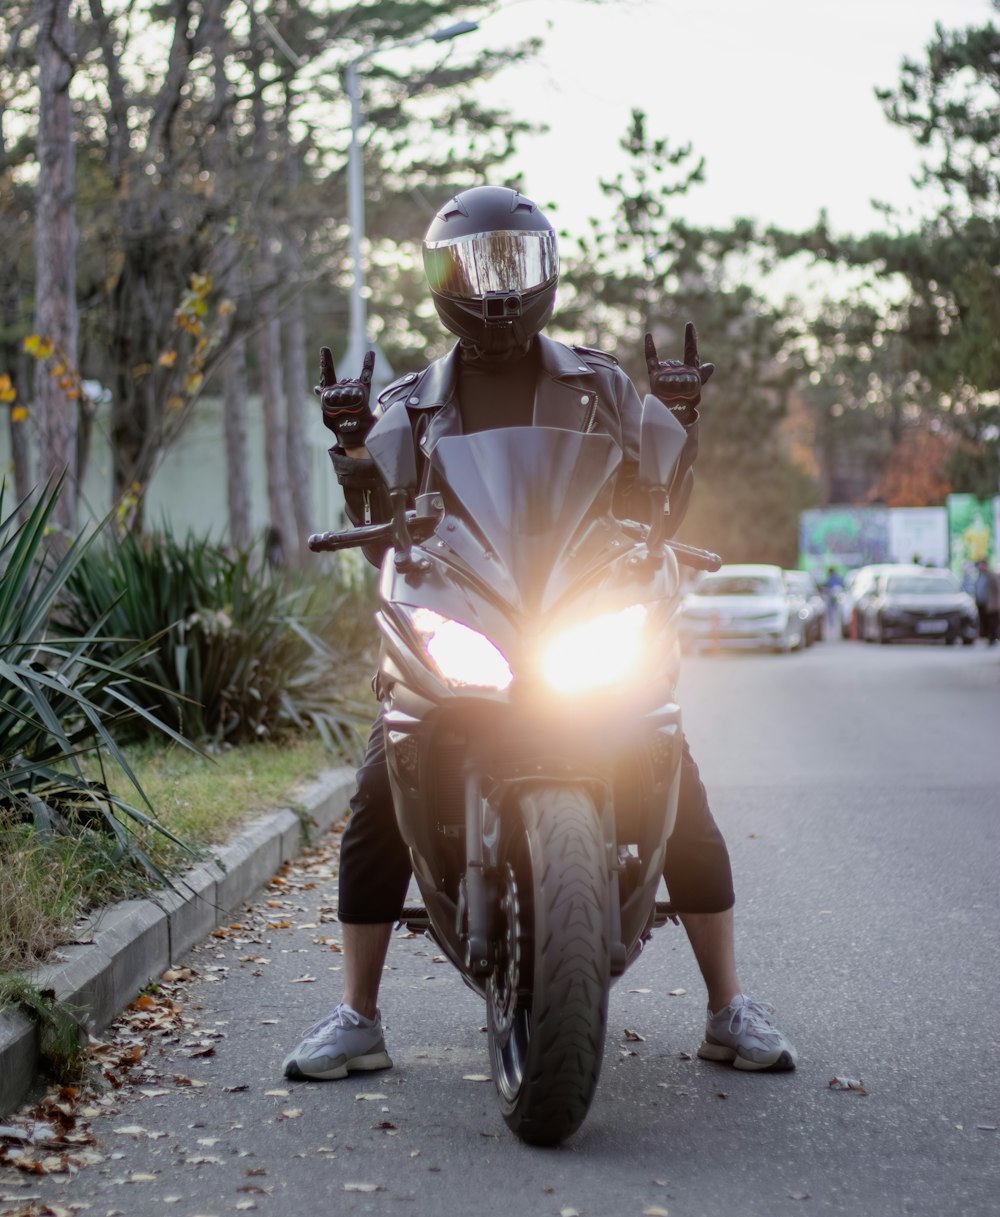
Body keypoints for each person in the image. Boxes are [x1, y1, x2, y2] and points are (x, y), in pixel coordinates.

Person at [283, 185, 797, 1082]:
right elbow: (379, 527)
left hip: (575, 616)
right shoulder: (409, 402)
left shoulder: (600, 383)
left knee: (675, 778)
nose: (494, 285)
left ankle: (727, 1006)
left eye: (511, 262)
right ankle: (357, 1014)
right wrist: (355, 452)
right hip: (468, 619)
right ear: (441, 282)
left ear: (546, 270)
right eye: (473, 266)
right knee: (378, 794)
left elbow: (655, 509)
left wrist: (682, 423)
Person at [974, 558, 999, 645]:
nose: (981, 567)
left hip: (990, 603)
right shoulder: (979, 575)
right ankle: (986, 636)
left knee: (992, 621)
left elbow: (997, 589)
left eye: (982, 565)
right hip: (981, 603)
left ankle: (993, 637)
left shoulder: (991, 575)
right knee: (984, 620)